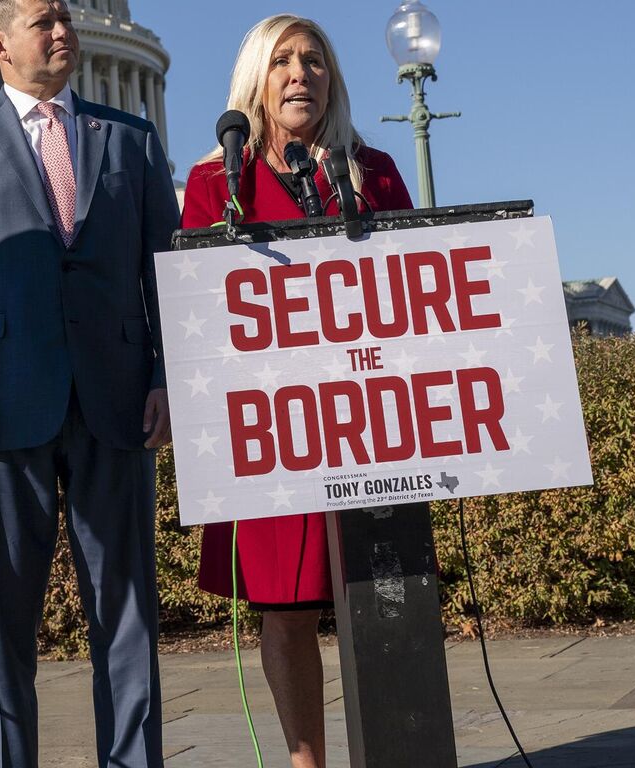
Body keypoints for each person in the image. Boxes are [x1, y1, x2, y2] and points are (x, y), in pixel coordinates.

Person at [0, 0, 177, 765]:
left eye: (66, 18)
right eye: (43, 20)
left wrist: (166, 374)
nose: (62, 31)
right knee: (1, 622)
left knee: (127, 619)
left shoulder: (130, 138)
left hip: (116, 403)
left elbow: (168, 273)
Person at [179, 14, 411, 768]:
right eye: (282, 61)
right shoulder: (218, 182)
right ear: (256, 79)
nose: (300, 73)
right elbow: (196, 311)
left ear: (332, 78)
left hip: (370, 422)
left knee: (388, 602)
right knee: (285, 610)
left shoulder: (371, 170)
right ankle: (304, 762)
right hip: (275, 432)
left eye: (314, 60)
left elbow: (414, 282)